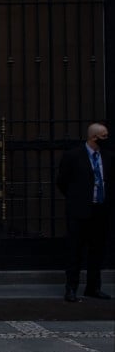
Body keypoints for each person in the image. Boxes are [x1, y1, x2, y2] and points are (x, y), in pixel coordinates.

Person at [56, 122, 113, 302]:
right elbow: (62, 181)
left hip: (100, 209)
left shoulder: (108, 156)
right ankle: (71, 288)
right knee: (75, 250)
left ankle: (93, 287)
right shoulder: (73, 156)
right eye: (103, 136)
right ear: (93, 137)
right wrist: (76, 198)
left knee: (97, 250)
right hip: (80, 210)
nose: (106, 139)